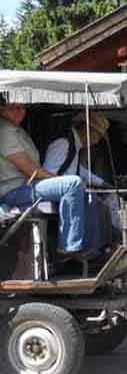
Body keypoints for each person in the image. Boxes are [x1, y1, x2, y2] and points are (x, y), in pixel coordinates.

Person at [0, 102, 99, 260]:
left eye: (22, 107)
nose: (20, 112)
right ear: (2, 109)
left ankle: (93, 250)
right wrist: (61, 181)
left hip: (26, 187)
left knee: (89, 195)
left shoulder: (16, 130)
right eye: (14, 108)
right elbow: (31, 170)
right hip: (13, 191)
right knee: (73, 184)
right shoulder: (5, 131)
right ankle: (68, 247)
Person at [43, 111, 110, 184]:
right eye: (97, 136)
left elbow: (78, 169)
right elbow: (47, 174)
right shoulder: (64, 143)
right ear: (87, 130)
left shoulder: (74, 144)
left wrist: (100, 182)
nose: (97, 141)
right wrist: (75, 184)